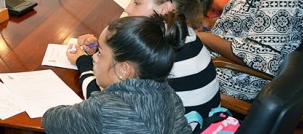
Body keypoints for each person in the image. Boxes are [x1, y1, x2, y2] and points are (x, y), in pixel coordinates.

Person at [73, 0, 221, 123]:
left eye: (137, 2)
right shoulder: (186, 35)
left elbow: (105, 107)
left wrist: (83, 63)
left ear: (165, 9)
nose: (128, 9)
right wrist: (104, 51)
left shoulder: (156, 56)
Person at [43, 14, 192, 134]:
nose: (94, 57)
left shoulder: (104, 108)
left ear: (123, 70)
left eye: (100, 53)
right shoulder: (170, 96)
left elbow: (51, 121)